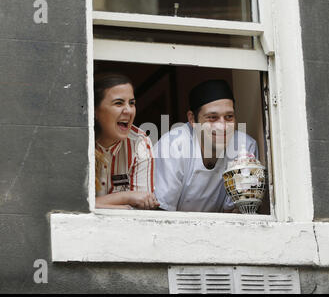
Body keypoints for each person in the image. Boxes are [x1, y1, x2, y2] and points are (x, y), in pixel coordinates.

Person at [154, 79, 258, 213]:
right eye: (212, 118)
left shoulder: (245, 146)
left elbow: (241, 211)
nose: (223, 126)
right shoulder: (173, 146)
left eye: (229, 117)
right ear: (192, 119)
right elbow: (161, 212)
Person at [94, 73, 160, 210]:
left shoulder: (140, 143)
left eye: (132, 103)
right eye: (118, 103)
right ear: (95, 110)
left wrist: (97, 205)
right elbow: (71, 207)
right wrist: (126, 198)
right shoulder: (78, 141)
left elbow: (141, 211)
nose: (129, 110)